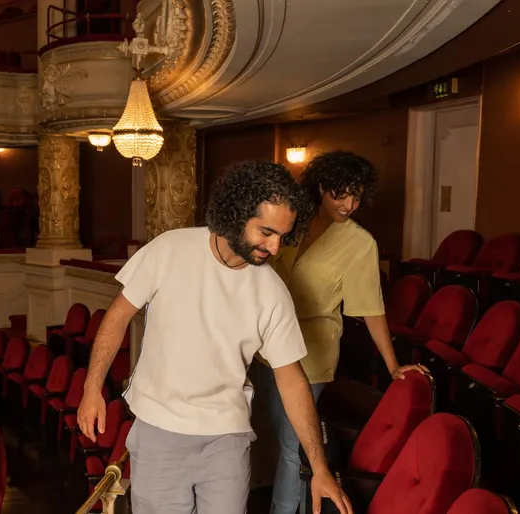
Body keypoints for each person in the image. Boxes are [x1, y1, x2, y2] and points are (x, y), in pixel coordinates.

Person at [76, 160, 354, 514]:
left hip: (228, 435)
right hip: (161, 429)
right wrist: (91, 388)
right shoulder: (169, 249)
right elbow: (117, 317)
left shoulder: (271, 291)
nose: (274, 247)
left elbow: (292, 380)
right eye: (265, 232)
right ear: (236, 213)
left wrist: (319, 467)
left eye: (282, 237)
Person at [256, 150, 428, 514]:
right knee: (278, 433)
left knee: (293, 442)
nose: (350, 204)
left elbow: (371, 308)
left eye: (357, 196)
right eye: (341, 194)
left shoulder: (360, 243)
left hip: (311, 354)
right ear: (321, 187)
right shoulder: (291, 223)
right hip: (266, 346)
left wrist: (393, 364)